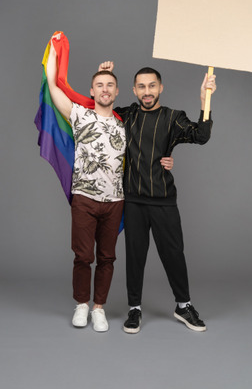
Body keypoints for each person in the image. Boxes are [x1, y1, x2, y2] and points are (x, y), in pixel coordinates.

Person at [46, 37, 173, 332]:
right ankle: (81, 304)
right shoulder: (79, 115)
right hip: (84, 198)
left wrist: (167, 159)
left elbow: (149, 147)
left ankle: (99, 308)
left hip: (115, 201)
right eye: (99, 85)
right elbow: (54, 87)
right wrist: (53, 50)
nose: (105, 89)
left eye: (110, 85)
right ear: (92, 91)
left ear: (117, 92)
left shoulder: (124, 122)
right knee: (83, 256)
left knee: (107, 257)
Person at [98, 61, 216, 333]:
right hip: (133, 200)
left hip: (163, 198)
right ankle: (134, 309)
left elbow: (201, 135)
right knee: (135, 255)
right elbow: (98, 110)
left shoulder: (174, 117)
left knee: (174, 254)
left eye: (152, 86)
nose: (147, 91)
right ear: (134, 90)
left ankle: (183, 305)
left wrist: (204, 98)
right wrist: (103, 73)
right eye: (141, 86)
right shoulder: (124, 115)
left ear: (160, 88)